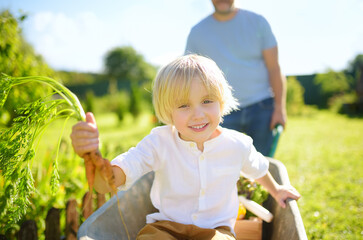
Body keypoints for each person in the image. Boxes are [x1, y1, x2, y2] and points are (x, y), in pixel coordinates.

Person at [71, 55, 300, 239]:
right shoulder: (158, 142)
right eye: (183, 105)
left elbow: (258, 169)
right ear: (168, 112)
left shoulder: (237, 144)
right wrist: (94, 159)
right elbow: (111, 180)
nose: (198, 114)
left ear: (221, 102)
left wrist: (277, 190)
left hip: (217, 231)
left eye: (207, 101)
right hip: (165, 228)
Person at [185, 0, 287, 156]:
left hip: (261, 107)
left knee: (262, 164)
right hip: (220, 111)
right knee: (222, 164)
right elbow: (189, 76)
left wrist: (280, 108)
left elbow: (274, 68)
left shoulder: (257, 22)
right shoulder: (198, 32)